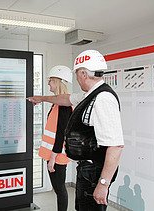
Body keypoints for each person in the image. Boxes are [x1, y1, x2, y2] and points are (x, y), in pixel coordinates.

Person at [28, 50, 124, 211]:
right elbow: (65, 99)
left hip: (95, 173)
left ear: (84, 73)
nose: (77, 78)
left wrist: (103, 184)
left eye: (78, 73)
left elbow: (115, 146)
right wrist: (41, 98)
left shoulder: (103, 99)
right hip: (87, 170)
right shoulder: (90, 95)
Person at [38, 65, 73, 211]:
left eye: (50, 81)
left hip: (57, 155)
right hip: (53, 154)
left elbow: (60, 134)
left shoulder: (64, 106)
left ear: (58, 82)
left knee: (60, 189)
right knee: (58, 189)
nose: (48, 84)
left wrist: (52, 158)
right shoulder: (57, 104)